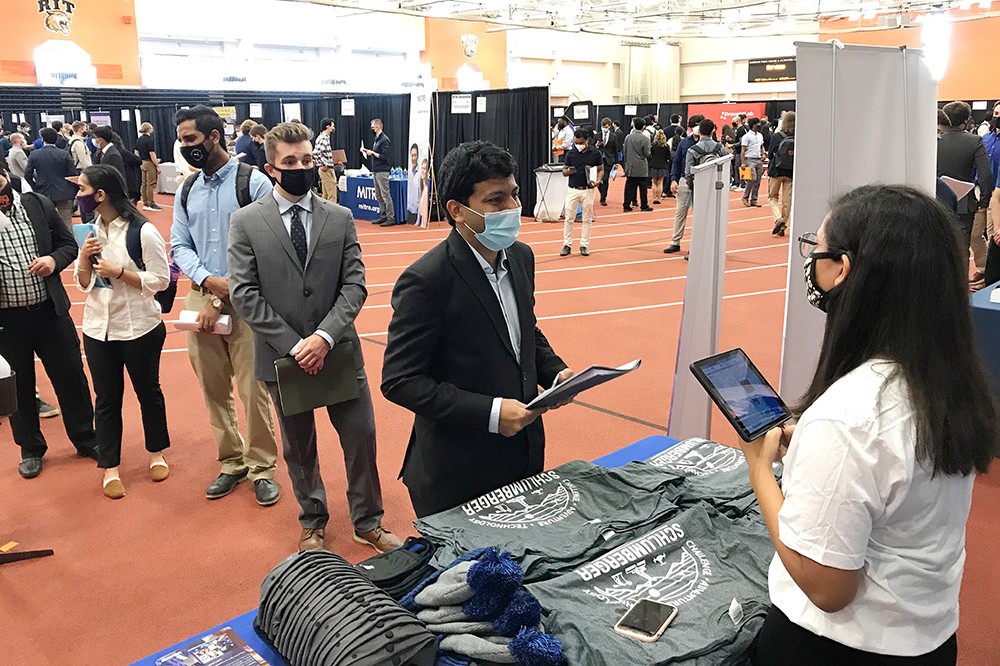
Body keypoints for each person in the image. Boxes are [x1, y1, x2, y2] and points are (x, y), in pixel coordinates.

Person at [746, 184, 998, 665]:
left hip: (840, 646)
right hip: (928, 637)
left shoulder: (848, 415)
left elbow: (827, 587)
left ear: (841, 269)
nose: (810, 263)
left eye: (814, 250)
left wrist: (760, 469)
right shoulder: (946, 379)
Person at [228, 121, 401, 553]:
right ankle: (313, 522)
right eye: (290, 162)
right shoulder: (247, 223)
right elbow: (244, 293)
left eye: (307, 159)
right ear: (271, 168)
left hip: (338, 349)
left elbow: (355, 285)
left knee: (360, 438)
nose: (301, 167)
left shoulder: (339, 217)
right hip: (282, 359)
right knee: (298, 448)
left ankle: (368, 520)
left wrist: (323, 337)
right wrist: (294, 345)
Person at [381, 140, 573, 518]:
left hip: (524, 456)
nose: (514, 209)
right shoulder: (426, 280)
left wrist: (555, 371)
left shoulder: (521, 257)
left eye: (515, 195)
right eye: (496, 200)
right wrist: (491, 412)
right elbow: (400, 380)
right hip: (459, 473)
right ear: (457, 211)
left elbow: (524, 330)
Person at [169, 105, 281, 507]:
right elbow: (179, 244)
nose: (185, 147)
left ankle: (262, 468)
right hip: (202, 294)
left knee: (254, 390)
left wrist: (222, 293)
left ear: (214, 137)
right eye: (182, 140)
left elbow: (270, 245)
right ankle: (231, 462)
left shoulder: (255, 184)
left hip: (249, 296)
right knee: (213, 388)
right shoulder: (187, 189)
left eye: (191, 140)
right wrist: (204, 279)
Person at [73, 164, 171, 500]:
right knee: (107, 399)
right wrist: (84, 260)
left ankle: (156, 451)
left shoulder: (142, 231)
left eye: (83, 189)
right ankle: (109, 466)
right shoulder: (88, 231)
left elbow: (161, 280)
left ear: (100, 195)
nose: (78, 196)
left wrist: (122, 273)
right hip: (98, 328)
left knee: (148, 392)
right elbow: (83, 283)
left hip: (140, 326)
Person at [0, 171, 99, 479]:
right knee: (20, 386)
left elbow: (68, 244)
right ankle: (30, 448)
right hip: (7, 322)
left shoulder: (37, 205)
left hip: (49, 312)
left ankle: (86, 437)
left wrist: (54, 261)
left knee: (71, 375)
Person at [937, 101, 993, 258]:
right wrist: (983, 202)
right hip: (964, 203)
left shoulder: (934, 141)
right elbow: (985, 175)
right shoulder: (975, 141)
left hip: (935, 199)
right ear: (967, 119)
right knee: (961, 249)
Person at [663, 115, 704, 254]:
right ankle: (675, 242)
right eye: (695, 125)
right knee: (680, 212)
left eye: (700, 124)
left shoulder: (708, 143)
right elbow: (676, 162)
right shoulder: (684, 143)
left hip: (701, 181)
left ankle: (696, 245)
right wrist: (673, 179)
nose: (698, 127)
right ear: (691, 127)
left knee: (699, 215)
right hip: (684, 180)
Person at [24, 127, 78, 229]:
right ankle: (71, 244)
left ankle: (49, 244)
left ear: (42, 139)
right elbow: (73, 174)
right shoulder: (64, 154)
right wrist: (73, 190)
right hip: (65, 193)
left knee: (46, 223)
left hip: (43, 193)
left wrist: (35, 188)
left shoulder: (34, 154)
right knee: (66, 223)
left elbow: (27, 175)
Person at [560, 128, 603, 257]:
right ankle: (567, 244)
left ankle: (584, 244)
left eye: (580, 142)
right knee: (569, 218)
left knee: (587, 219)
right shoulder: (571, 153)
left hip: (588, 190)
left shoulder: (595, 153)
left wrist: (598, 181)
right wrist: (567, 172)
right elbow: (564, 171)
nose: (578, 144)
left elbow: (601, 169)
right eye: (576, 142)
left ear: (586, 140)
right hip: (573, 189)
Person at [362, 118, 395, 226]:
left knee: (385, 195)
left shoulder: (384, 140)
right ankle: (383, 215)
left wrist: (373, 153)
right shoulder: (377, 139)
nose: (372, 129)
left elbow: (385, 157)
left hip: (382, 171)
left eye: (373, 127)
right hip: (376, 170)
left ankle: (391, 217)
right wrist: (369, 152)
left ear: (378, 127)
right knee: (378, 195)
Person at [767, 112, 795, 237]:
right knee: (787, 200)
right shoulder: (798, 136)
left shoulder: (777, 136)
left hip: (776, 171)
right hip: (790, 172)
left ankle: (779, 219)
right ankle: (783, 224)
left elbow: (770, 154)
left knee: (772, 197)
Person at [622, 117, 652, 213]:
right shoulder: (645, 138)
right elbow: (647, 153)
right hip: (641, 166)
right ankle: (644, 205)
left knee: (629, 187)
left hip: (630, 165)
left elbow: (624, 151)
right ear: (643, 127)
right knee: (643, 187)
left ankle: (626, 205)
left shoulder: (628, 137)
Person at [136, 122, 162, 212]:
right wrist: (157, 166)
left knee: (144, 183)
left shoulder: (139, 139)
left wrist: (139, 160)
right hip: (149, 163)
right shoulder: (149, 140)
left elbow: (136, 151)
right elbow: (152, 154)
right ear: (149, 129)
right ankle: (151, 203)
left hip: (142, 162)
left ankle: (145, 202)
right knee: (151, 183)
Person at [740, 117, 765, 208]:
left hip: (758, 159)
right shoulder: (746, 136)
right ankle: (745, 197)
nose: (759, 125)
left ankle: (754, 199)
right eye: (757, 123)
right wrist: (743, 162)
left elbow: (761, 146)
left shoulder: (760, 135)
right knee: (752, 178)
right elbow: (743, 150)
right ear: (753, 125)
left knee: (758, 180)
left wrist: (763, 153)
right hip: (749, 159)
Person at [313, 118, 339, 203]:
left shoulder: (324, 137)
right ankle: (332, 215)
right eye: (332, 126)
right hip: (326, 170)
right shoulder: (323, 138)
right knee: (332, 195)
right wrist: (323, 164)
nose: (333, 128)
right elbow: (316, 153)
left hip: (326, 169)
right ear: (327, 126)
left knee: (326, 195)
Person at [595, 117, 620, 207]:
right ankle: (602, 192)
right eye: (604, 126)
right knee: (598, 180)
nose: (606, 128)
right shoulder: (597, 135)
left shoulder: (613, 136)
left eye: (607, 126)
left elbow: (616, 150)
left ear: (610, 126)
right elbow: (592, 148)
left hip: (609, 160)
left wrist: (617, 162)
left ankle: (603, 198)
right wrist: (597, 145)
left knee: (605, 179)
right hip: (598, 160)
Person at [649, 129, 671, 204]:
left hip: (654, 165)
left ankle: (654, 197)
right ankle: (658, 198)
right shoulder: (666, 146)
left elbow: (650, 155)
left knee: (654, 182)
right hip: (663, 165)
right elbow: (668, 156)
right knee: (660, 182)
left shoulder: (653, 145)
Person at [406, 143, 421, 224]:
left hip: (417, 212)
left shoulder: (421, 173)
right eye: (412, 156)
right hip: (409, 211)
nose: (414, 158)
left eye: (415, 155)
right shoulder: (409, 172)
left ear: (418, 156)